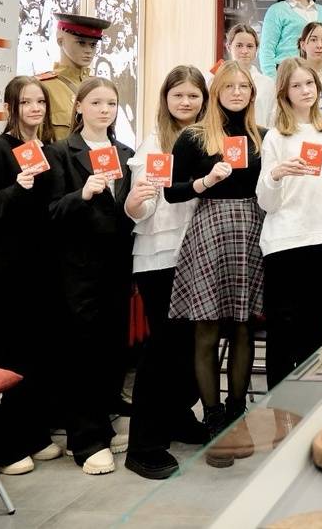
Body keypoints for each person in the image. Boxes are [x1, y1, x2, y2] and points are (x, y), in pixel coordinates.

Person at [0, 77, 62, 476]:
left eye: (40, 101)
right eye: (26, 102)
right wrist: (15, 189)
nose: (35, 108)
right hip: (1, 279)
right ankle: (4, 447)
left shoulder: (47, 151)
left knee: (37, 357)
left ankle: (34, 435)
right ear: (10, 107)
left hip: (37, 275)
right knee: (6, 359)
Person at [165, 62, 265, 451]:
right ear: (216, 91)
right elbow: (171, 191)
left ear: (252, 93)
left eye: (244, 86)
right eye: (229, 86)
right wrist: (205, 181)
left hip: (251, 228)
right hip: (210, 228)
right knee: (205, 326)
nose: (237, 92)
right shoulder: (192, 137)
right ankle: (212, 415)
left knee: (242, 325)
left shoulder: (262, 136)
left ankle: (237, 411)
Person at [44, 77, 136, 475]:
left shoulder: (126, 153)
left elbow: (128, 213)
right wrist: (81, 194)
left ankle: (101, 426)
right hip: (77, 270)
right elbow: (49, 212)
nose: (104, 110)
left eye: (111, 103)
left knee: (111, 351)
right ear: (79, 106)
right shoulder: (60, 152)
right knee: (82, 353)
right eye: (96, 102)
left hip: (117, 266)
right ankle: (85, 440)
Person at [120, 67, 208, 479]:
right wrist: (135, 202)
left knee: (189, 346)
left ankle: (177, 417)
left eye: (193, 95)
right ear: (166, 99)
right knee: (162, 349)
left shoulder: (208, 139)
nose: (186, 102)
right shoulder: (156, 144)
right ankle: (143, 445)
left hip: (197, 255)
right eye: (179, 95)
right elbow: (143, 208)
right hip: (160, 258)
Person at [256, 58, 322, 387]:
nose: (305, 90)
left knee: (316, 330)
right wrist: (276, 174)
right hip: (283, 242)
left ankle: (311, 405)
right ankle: (278, 407)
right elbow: (266, 202)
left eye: (309, 83)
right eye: (296, 85)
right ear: (284, 92)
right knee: (282, 331)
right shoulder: (275, 137)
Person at [38, 13, 111, 140]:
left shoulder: (99, 87)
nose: (89, 50)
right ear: (60, 41)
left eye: (93, 45)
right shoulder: (42, 87)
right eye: (81, 43)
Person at [222, 23, 276, 129]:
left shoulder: (267, 84)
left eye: (250, 46)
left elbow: (271, 119)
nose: (244, 51)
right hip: (223, 136)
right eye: (239, 45)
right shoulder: (215, 80)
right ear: (229, 47)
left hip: (259, 136)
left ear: (256, 50)